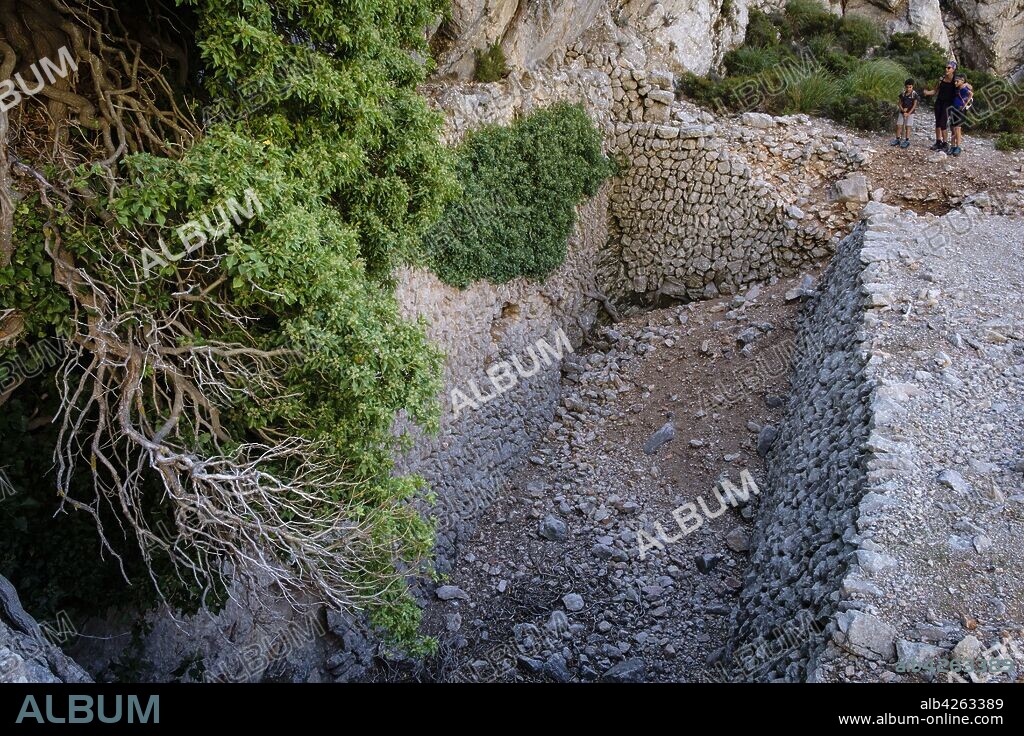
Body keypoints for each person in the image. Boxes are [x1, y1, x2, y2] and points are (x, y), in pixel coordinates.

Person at [923, 61, 958, 152]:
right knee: (938, 122)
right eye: (946, 67)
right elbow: (935, 91)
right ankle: (938, 142)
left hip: (948, 104)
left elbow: (965, 87)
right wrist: (927, 92)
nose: (946, 69)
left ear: (953, 70)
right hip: (939, 102)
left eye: (949, 68)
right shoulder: (941, 79)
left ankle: (945, 143)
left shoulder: (955, 81)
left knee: (943, 122)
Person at [948, 74, 973, 156]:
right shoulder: (956, 88)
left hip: (960, 110)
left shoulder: (964, 88)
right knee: (952, 128)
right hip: (953, 109)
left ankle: (958, 147)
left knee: (957, 129)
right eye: (955, 81)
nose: (955, 82)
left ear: (962, 81)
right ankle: (952, 146)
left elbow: (971, 94)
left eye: (957, 81)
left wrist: (965, 105)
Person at [892, 78, 919, 148]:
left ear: (912, 86)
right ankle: (897, 139)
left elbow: (914, 105)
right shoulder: (903, 94)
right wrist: (903, 111)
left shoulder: (914, 94)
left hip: (910, 113)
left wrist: (908, 113)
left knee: (908, 126)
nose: (908, 89)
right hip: (902, 112)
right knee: (899, 125)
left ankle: (907, 140)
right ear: (905, 87)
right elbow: (899, 103)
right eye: (907, 87)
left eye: (910, 87)